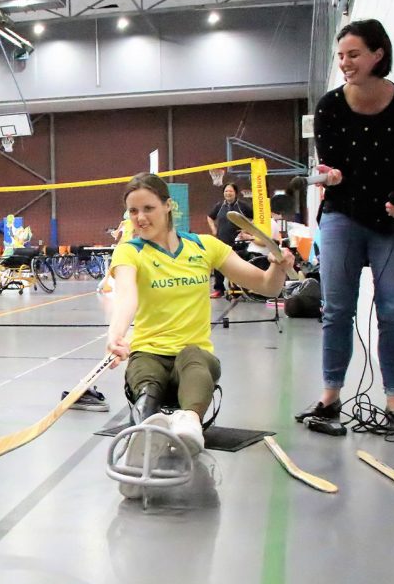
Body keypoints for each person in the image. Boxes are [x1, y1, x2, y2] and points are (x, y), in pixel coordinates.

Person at [106, 174, 293, 495]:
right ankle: (142, 439)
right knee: (147, 378)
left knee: (194, 358)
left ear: (168, 206)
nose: (140, 218)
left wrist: (278, 266)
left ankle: (190, 423)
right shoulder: (129, 252)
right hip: (149, 352)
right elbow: (126, 296)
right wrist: (117, 334)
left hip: (194, 358)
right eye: (133, 211)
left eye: (148, 208)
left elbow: (266, 286)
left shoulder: (204, 246)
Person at [295, 19, 394, 432]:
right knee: (337, 309)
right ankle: (329, 397)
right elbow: (332, 162)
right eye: (340, 56)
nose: (345, 63)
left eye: (353, 54)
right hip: (342, 215)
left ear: (378, 54)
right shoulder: (330, 107)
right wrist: (331, 176)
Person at [206, 183, 253, 298]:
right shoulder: (219, 206)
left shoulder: (242, 206)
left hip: (238, 243)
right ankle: (219, 289)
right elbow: (209, 217)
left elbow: (255, 217)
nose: (228, 193)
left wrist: (247, 230)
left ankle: (237, 289)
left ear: (235, 193)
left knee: (236, 265)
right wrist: (213, 229)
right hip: (222, 240)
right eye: (226, 191)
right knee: (219, 265)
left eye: (230, 191)